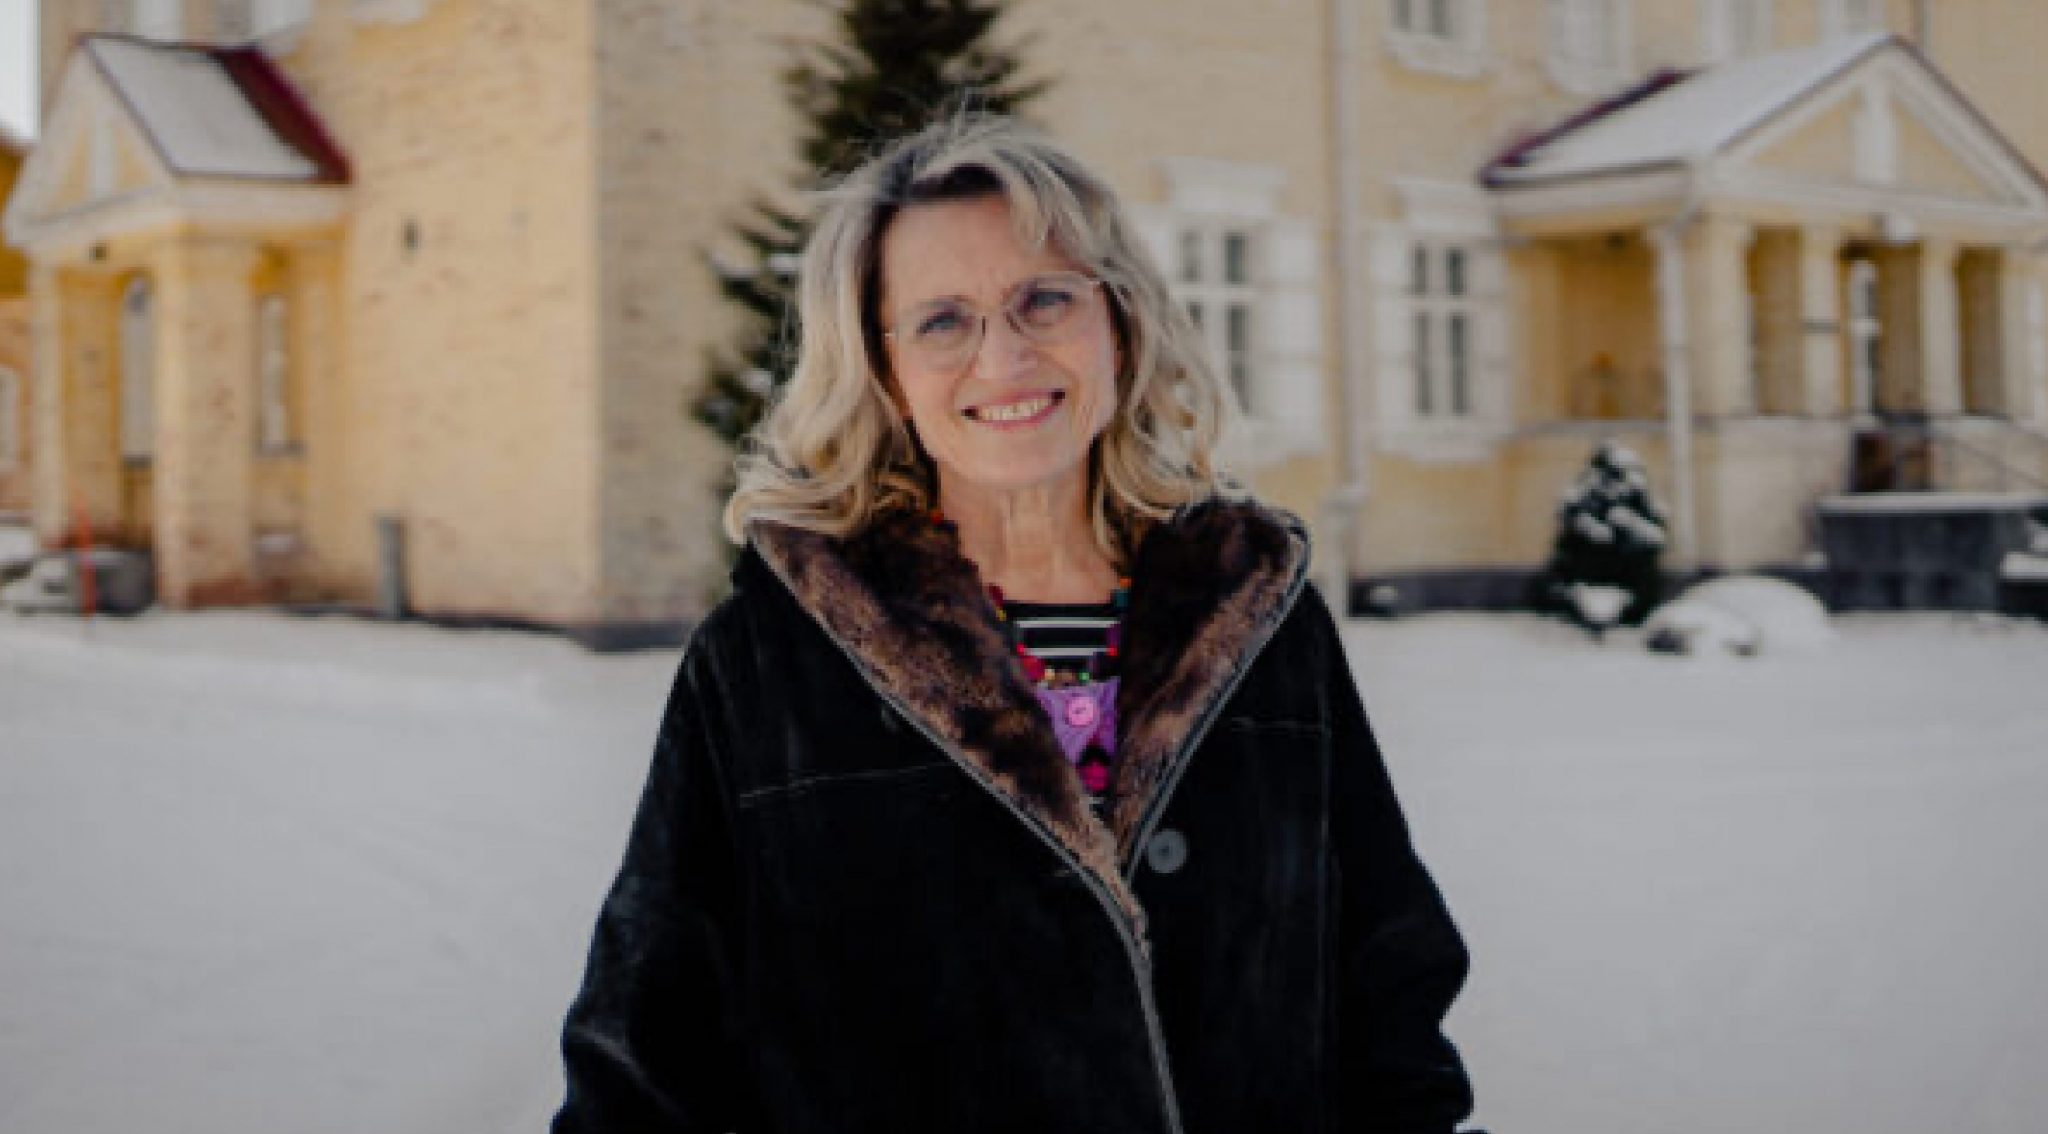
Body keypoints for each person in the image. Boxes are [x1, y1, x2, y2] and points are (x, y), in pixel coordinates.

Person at [550, 112, 1481, 1133]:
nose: (1003, 357)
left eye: (1044, 299)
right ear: (886, 373)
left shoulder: (1259, 622)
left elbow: (1388, 1003)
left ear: (1118, 324)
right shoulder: (768, 664)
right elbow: (642, 1063)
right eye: (942, 321)